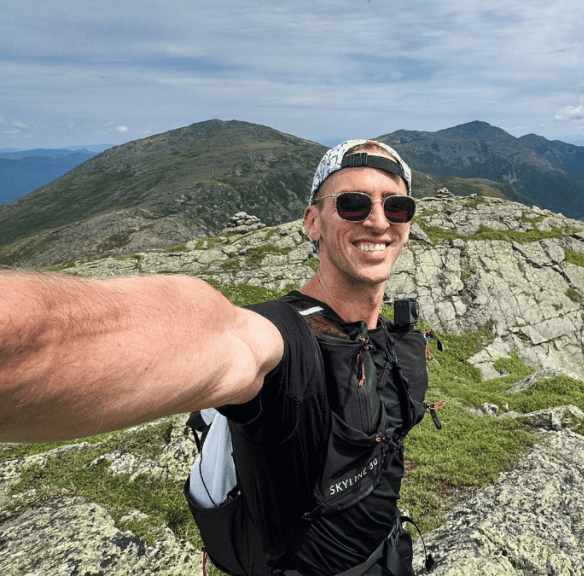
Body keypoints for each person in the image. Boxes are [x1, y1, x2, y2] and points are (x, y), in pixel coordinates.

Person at [0, 140, 427, 576]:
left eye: (396, 206)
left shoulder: (389, 335)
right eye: (353, 203)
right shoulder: (284, 338)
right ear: (312, 222)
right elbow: (219, 338)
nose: (378, 220)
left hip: (390, 556)